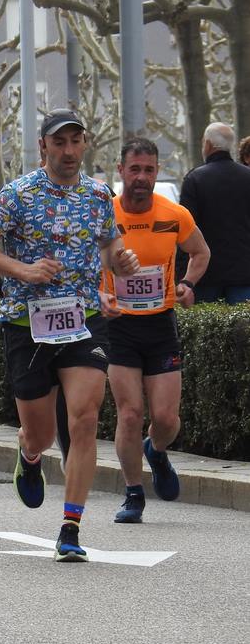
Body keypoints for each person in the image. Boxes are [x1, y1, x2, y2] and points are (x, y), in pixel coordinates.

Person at [0, 108, 140, 562]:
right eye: (59, 142)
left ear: (84, 145)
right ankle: (31, 453)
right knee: (39, 432)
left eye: (75, 141)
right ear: (44, 146)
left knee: (83, 418)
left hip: (83, 321)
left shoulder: (99, 194)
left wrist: (122, 259)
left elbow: (109, 242)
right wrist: (23, 269)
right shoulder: (19, 194)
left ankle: (70, 527)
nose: (68, 150)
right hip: (28, 323)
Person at [104, 138, 210, 523]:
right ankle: (133, 493)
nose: (142, 178)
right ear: (121, 171)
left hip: (161, 324)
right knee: (129, 413)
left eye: (149, 170)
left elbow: (201, 252)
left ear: (156, 172)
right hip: (119, 327)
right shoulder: (106, 214)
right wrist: (100, 293)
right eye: (135, 169)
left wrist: (188, 284)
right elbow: (81, 260)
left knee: (166, 419)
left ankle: (157, 449)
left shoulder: (173, 213)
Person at [178, 122, 250, 304]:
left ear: (208, 144)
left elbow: (185, 230)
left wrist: (182, 278)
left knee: (206, 331)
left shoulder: (195, 179)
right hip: (244, 274)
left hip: (205, 276)